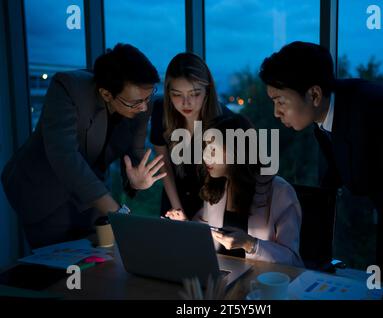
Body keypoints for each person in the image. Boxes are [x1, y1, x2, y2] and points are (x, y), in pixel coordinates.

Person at [259, 41, 383, 299]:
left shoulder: (380, 110)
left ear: (314, 95)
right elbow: (336, 172)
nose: (276, 112)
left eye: (280, 101)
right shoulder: (323, 116)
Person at [1, 43, 166, 249]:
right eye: (136, 102)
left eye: (148, 97)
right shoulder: (68, 87)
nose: (144, 107)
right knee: (59, 267)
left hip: (92, 192)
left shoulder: (141, 101)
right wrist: (118, 215)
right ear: (107, 94)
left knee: (102, 259)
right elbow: (64, 156)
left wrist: (135, 183)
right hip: (44, 191)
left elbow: (134, 154)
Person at [166, 114, 303, 267]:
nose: (205, 157)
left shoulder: (280, 191)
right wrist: (185, 225)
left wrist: (250, 244)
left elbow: (293, 261)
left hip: (260, 283)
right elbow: (206, 236)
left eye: (213, 150)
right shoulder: (216, 186)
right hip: (221, 276)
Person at [150, 52, 232, 219]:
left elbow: (227, 180)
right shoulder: (161, 111)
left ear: (207, 91)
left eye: (194, 94)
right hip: (174, 200)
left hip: (214, 202)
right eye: (177, 94)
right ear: (168, 92)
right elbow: (164, 164)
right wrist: (178, 209)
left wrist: (202, 216)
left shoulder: (224, 121)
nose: (186, 103)